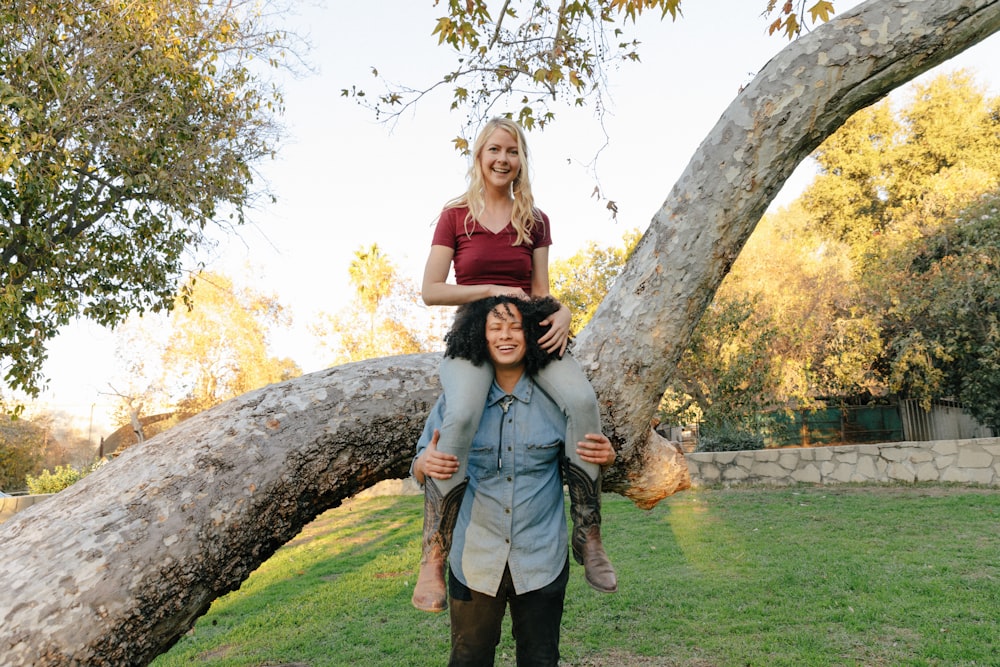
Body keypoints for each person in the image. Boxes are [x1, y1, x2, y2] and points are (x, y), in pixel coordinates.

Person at [413, 117, 616, 613]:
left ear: (521, 159)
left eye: (513, 151)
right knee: (460, 413)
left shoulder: (536, 218)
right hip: (475, 329)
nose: (503, 159)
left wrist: (564, 311)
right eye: (494, 150)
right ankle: (433, 556)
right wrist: (490, 290)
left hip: (527, 326)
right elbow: (431, 290)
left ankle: (588, 534)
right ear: (479, 156)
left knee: (582, 400)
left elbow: (541, 291)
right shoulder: (455, 215)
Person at [411, 296, 617, 666]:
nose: (506, 336)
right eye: (495, 328)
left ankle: (591, 538)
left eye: (515, 327)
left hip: (540, 557)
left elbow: (581, 459)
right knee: (469, 658)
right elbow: (421, 464)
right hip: (474, 559)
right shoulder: (456, 403)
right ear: (480, 336)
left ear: (531, 334)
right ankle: (433, 557)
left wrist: (608, 457)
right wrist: (423, 461)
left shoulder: (558, 402)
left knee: (540, 658)